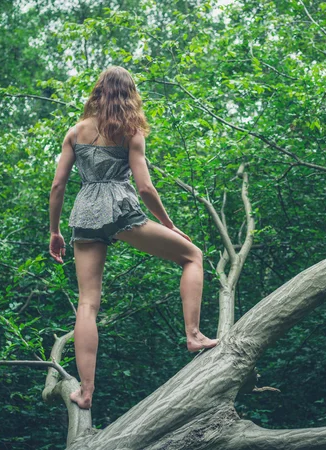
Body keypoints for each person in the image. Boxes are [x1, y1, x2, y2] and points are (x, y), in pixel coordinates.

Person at [48, 65, 219, 410]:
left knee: (87, 304)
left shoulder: (75, 131)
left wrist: (54, 231)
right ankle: (193, 335)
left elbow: (58, 186)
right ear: (129, 95)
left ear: (98, 92)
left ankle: (85, 391)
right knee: (192, 256)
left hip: (85, 215)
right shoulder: (131, 131)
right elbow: (144, 187)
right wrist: (168, 224)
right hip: (120, 210)